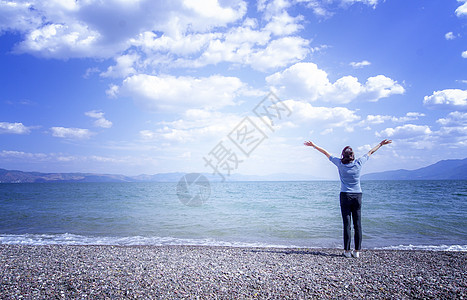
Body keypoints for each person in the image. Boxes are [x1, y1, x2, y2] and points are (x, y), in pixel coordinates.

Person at [304, 139, 392, 258]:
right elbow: (371, 152)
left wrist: (313, 145)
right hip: (357, 196)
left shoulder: (339, 163)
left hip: (345, 195)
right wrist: (381, 144)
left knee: (347, 224)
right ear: (353, 155)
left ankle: (346, 251)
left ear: (343, 155)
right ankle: (356, 251)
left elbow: (325, 153)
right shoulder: (359, 162)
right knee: (358, 224)